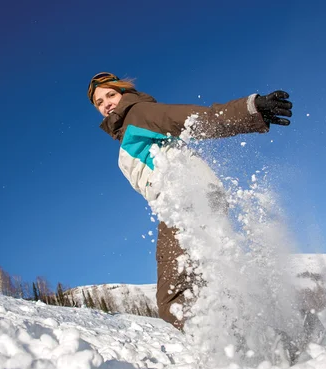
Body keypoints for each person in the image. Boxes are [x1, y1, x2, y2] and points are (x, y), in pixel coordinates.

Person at [88, 72, 292, 330]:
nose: (106, 103)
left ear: (124, 93)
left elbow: (192, 119)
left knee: (174, 299)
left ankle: (234, 349)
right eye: (99, 102)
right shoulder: (129, 130)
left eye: (110, 95)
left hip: (185, 201)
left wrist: (250, 110)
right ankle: (270, 332)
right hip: (194, 201)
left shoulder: (137, 115)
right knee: (212, 285)